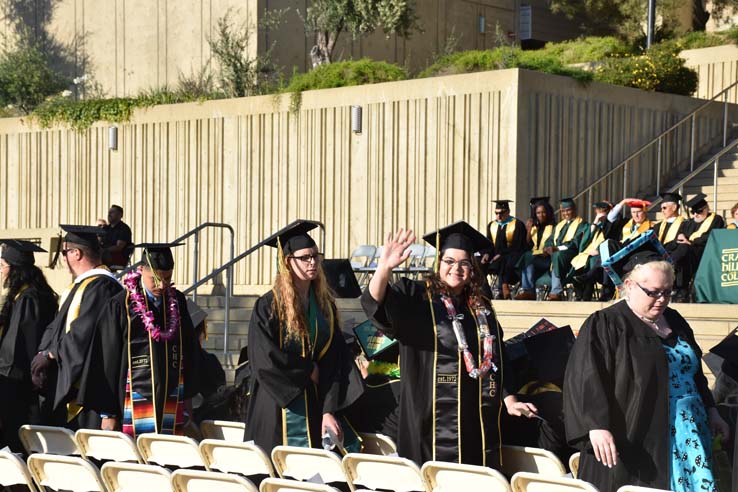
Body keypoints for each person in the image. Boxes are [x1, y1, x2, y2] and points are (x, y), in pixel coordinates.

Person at [362, 222, 536, 466]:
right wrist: (383, 269)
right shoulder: (415, 296)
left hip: (473, 420)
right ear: (439, 263)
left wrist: (509, 398)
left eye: (464, 263)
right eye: (449, 261)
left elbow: (498, 356)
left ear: (472, 269)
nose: (457, 268)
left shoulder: (481, 308)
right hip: (428, 417)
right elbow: (375, 305)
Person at [563, 259, 729, 492]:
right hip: (638, 433)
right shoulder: (607, 323)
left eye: (667, 292)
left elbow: (693, 373)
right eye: (652, 292)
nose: (661, 299)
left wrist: (712, 410)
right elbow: (586, 378)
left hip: (690, 430)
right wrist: (596, 425)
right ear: (629, 285)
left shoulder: (675, 320)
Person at [244, 221, 364, 453]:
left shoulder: (324, 305)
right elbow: (264, 359)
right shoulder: (268, 306)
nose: (313, 262)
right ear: (288, 261)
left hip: (315, 403)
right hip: (278, 404)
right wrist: (307, 370)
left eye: (315, 256)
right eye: (305, 258)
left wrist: (328, 409)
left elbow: (336, 358)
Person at [80, 243, 201, 437]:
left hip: (170, 396)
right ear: (141, 270)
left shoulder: (177, 302)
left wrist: (187, 400)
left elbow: (189, 352)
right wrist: (108, 412)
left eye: (167, 279)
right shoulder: (121, 305)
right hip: (131, 399)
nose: (162, 285)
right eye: (155, 279)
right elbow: (106, 358)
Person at [32, 225, 123, 430]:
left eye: (64, 253)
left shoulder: (102, 287)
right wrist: (43, 352)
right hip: (69, 384)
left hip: (89, 394)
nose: (63, 258)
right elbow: (56, 327)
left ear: (76, 253)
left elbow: (84, 335)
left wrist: (51, 354)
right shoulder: (81, 286)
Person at [0, 240, 58, 452]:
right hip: (25, 383)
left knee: (14, 441)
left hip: (17, 385)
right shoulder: (34, 293)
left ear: (14, 270)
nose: (1, 272)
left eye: (3, 266)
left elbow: (17, 347)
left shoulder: (28, 298)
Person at [651, 192, 695, 302]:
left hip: (676, 256)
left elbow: (684, 242)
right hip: (661, 255)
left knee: (683, 249)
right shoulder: (658, 226)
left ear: (674, 207)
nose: (662, 210)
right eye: (661, 208)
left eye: (664, 208)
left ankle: (680, 289)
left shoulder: (686, 224)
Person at [545, 198, 589, 301]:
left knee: (558, 255)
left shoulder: (582, 225)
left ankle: (556, 291)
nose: (566, 213)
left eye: (568, 210)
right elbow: (550, 239)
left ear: (574, 209)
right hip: (555, 254)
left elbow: (575, 243)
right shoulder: (560, 225)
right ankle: (529, 290)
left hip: (572, 254)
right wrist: (547, 247)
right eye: (563, 211)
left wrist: (557, 248)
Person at [570, 202, 615, 301]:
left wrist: (599, 251)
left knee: (592, 262)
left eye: (603, 211)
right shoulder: (595, 225)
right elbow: (585, 241)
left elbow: (612, 241)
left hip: (603, 254)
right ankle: (579, 294)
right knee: (576, 261)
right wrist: (595, 222)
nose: (599, 213)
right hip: (588, 253)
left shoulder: (612, 225)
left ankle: (587, 295)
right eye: (598, 211)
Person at [483, 200, 527, 299]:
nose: (498, 216)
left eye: (501, 213)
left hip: (512, 255)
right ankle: (485, 292)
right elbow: (489, 244)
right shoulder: (492, 225)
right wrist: (486, 254)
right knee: (479, 262)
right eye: (496, 213)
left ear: (508, 212)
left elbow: (518, 245)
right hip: (495, 256)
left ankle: (503, 286)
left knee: (504, 260)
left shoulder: (517, 224)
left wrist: (501, 254)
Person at [515, 197, 555, 300]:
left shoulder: (554, 227)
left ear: (548, 213)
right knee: (527, 258)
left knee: (527, 257)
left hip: (548, 259)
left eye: (543, 212)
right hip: (535, 259)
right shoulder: (534, 227)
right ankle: (528, 291)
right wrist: (528, 231)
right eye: (538, 213)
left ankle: (528, 290)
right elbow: (527, 246)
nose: (541, 215)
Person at [681, 193, 725, 263]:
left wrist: (691, 242)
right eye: (693, 212)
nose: (695, 215)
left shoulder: (716, 219)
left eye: (699, 211)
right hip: (689, 251)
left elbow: (710, 236)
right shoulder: (689, 223)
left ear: (706, 209)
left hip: (705, 250)